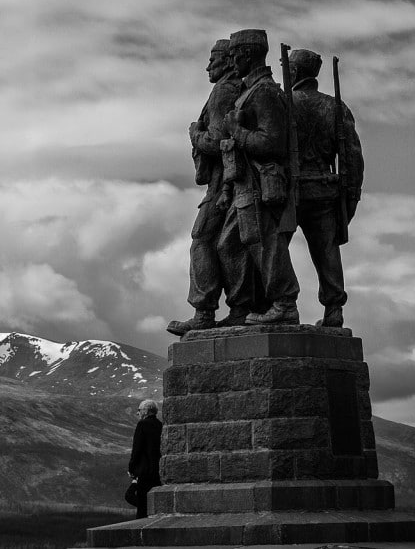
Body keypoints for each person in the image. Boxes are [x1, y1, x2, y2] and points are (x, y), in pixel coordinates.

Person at [217, 28, 301, 325]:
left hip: (259, 183)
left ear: (248, 55)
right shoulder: (249, 90)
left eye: (236, 55)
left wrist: (235, 131)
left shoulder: (264, 92)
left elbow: (271, 143)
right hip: (242, 184)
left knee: (265, 244)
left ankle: (284, 302)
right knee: (229, 245)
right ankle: (242, 307)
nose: (232, 61)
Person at [168, 38, 249, 336]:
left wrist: (194, 133)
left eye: (212, 59)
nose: (208, 66)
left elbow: (217, 142)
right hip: (231, 181)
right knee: (229, 244)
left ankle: (204, 312)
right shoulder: (235, 89)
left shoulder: (223, 91)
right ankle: (239, 308)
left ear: (227, 61)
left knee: (202, 238)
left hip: (223, 183)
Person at [288, 49, 365, 327]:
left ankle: (281, 304)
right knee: (327, 252)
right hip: (324, 188)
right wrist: (352, 195)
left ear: (294, 72)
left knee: (275, 250)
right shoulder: (335, 107)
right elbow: (352, 157)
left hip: (290, 191)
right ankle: (334, 308)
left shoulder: (284, 104)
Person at [127, 399, 162, 520]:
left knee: (142, 509)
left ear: (146, 411)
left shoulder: (142, 425)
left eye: (139, 410)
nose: (138, 413)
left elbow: (137, 449)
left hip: (144, 473)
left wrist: (132, 468)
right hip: (158, 472)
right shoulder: (160, 425)